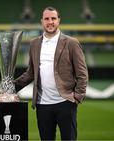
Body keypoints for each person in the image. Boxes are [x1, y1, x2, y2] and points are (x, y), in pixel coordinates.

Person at [14, 6, 88, 141]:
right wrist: (10, 88)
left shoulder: (71, 43)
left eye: (53, 18)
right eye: (47, 19)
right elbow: (31, 72)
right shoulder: (34, 43)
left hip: (66, 103)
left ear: (59, 20)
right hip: (42, 105)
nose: (50, 22)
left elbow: (82, 73)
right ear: (42, 21)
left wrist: (77, 97)